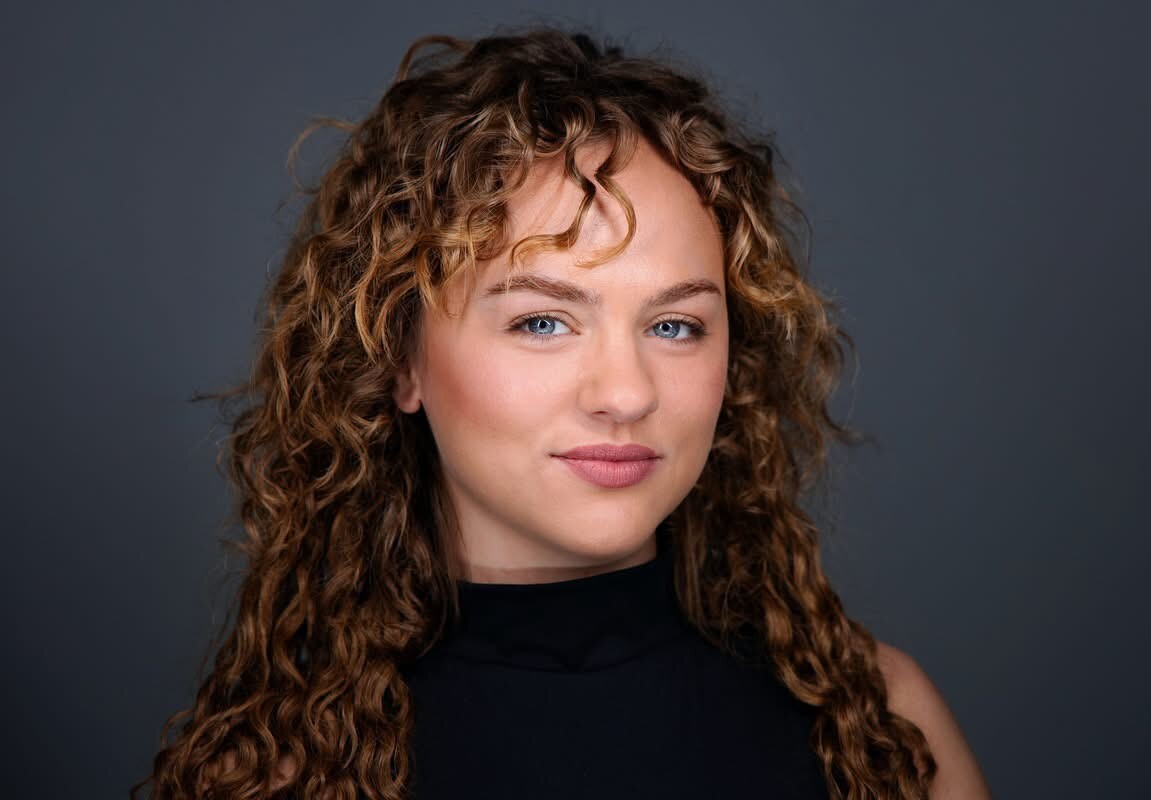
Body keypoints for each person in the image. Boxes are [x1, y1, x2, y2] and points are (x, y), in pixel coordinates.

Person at [133, 25, 991, 800]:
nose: (625, 393)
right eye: (543, 321)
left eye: (675, 325)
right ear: (401, 361)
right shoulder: (279, 776)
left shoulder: (878, 726)